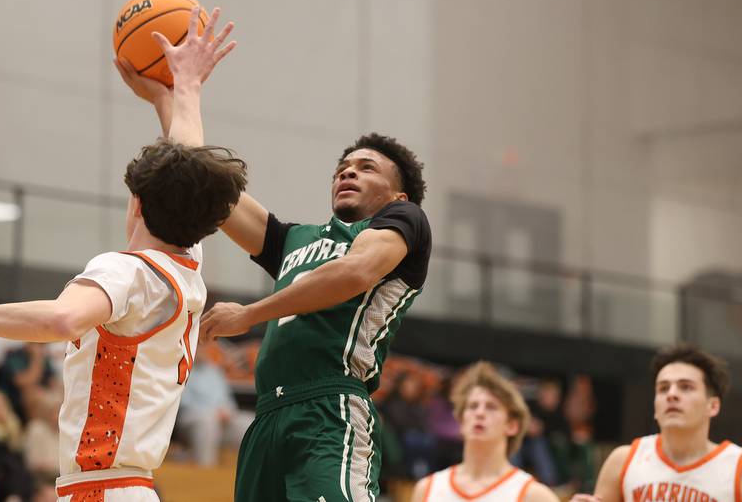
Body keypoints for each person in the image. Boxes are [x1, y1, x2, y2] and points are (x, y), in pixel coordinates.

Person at [0, 7, 243, 502]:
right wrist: (181, 90)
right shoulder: (187, 267)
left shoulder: (124, 272)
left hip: (98, 491)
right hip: (134, 488)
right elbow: (190, 173)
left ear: (138, 203)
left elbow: (62, 321)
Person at [120, 27, 432, 500]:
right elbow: (206, 185)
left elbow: (351, 275)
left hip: (331, 408)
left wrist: (249, 315)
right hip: (267, 418)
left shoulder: (402, 221)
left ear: (398, 194)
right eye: (342, 167)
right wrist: (175, 96)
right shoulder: (296, 240)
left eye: (366, 167)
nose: (348, 170)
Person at [570, 344, 741, 502]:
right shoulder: (623, 460)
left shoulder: (736, 466)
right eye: (663, 388)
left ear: (713, 406)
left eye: (686, 387)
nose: (671, 394)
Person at [410, 362, 559, 502]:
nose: (480, 413)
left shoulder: (534, 496)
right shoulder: (427, 489)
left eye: (491, 407)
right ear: (461, 422)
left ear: (512, 425)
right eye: (473, 406)